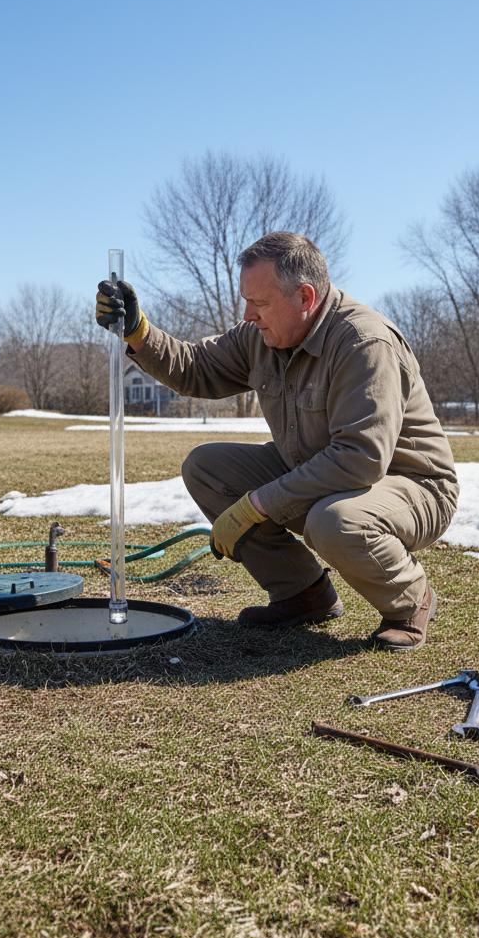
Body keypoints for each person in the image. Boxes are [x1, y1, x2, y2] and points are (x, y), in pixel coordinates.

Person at [95, 232, 459, 651]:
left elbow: (360, 459)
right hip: (319, 472)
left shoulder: (364, 343)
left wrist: (256, 506)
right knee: (207, 468)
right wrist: (138, 331)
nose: (248, 315)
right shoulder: (261, 334)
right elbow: (197, 368)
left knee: (335, 519)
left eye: (260, 303)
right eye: (246, 301)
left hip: (411, 488)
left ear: (305, 297)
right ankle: (302, 595)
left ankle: (410, 601)